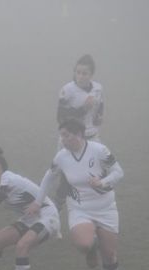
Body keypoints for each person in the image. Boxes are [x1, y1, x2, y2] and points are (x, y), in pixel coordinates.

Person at [27, 120, 124, 270]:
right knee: (84, 243)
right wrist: (38, 201)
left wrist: (103, 182)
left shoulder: (100, 150)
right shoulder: (61, 157)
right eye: (61, 135)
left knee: (110, 254)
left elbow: (119, 172)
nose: (63, 139)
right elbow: (49, 177)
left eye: (66, 135)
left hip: (106, 208)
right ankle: (91, 248)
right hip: (80, 208)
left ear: (79, 134)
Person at [54, 54, 105, 210]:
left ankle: (90, 211)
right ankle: (55, 209)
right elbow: (61, 117)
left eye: (85, 73)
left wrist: (98, 117)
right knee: (66, 178)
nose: (81, 76)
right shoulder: (67, 90)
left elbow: (100, 105)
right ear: (74, 72)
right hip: (71, 139)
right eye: (78, 72)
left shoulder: (98, 88)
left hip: (92, 137)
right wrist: (83, 109)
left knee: (97, 174)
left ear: (91, 74)